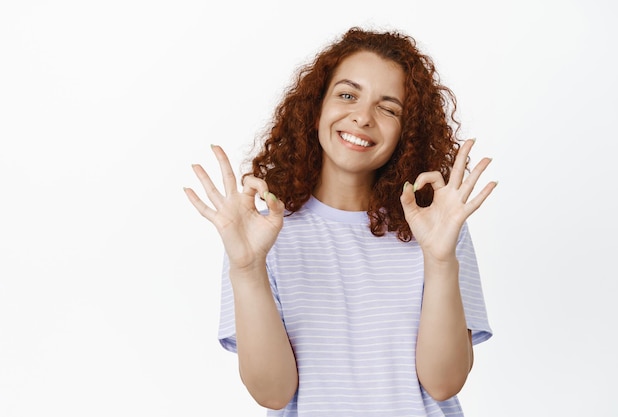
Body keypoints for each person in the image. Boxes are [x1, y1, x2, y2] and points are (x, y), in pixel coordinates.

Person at [184, 26, 497, 417]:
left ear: (408, 131)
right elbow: (273, 393)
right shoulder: (259, 235)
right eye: (347, 95)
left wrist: (439, 260)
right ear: (316, 107)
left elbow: (444, 382)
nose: (363, 117)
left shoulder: (437, 229)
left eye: (389, 108)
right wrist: (247, 269)